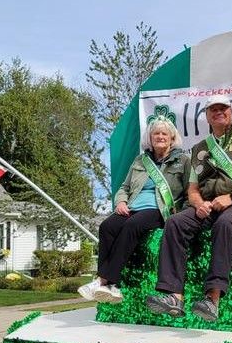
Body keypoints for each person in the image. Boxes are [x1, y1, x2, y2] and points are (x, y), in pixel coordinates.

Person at [146, 94, 232, 321]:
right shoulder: (199, 148)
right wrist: (198, 203)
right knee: (176, 222)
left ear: (230, 112)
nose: (218, 112)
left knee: (226, 222)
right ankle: (175, 296)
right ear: (207, 116)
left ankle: (212, 299)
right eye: (213, 109)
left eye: (223, 108)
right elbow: (193, 188)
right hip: (210, 205)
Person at [78, 115, 191, 303]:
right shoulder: (140, 161)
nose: (160, 137)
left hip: (160, 210)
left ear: (172, 138)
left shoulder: (183, 161)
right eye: (156, 133)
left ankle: (105, 281)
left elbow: (190, 190)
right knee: (107, 226)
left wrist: (181, 216)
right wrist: (121, 202)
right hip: (132, 207)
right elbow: (124, 187)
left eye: (164, 134)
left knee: (133, 225)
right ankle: (110, 286)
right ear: (150, 138)